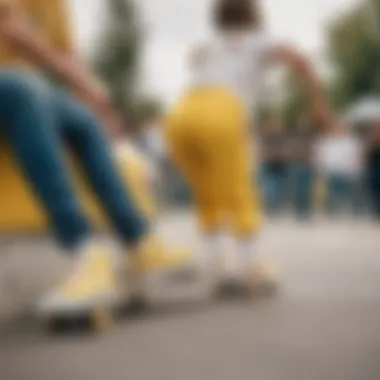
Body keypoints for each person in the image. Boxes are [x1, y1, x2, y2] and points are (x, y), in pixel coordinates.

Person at [0, 0, 190, 316]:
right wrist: (82, 83)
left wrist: (96, 98)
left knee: (84, 120)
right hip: (18, 89)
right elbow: (11, 31)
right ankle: (83, 247)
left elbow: (67, 53)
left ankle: (140, 242)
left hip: (26, 89)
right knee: (25, 90)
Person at [165, 0, 333, 290]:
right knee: (239, 188)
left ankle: (218, 263)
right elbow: (301, 61)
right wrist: (318, 103)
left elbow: (192, 59)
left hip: (182, 114)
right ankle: (251, 264)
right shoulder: (260, 40)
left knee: (209, 194)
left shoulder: (209, 43)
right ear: (254, 14)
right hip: (222, 110)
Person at [314, 127, 364, 217]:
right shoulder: (326, 142)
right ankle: (335, 210)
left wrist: (355, 170)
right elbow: (321, 157)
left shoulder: (351, 142)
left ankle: (342, 210)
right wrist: (321, 170)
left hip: (346, 171)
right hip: (332, 171)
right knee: (333, 192)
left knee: (344, 192)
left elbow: (355, 157)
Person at [287, 116, 316, 220]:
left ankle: (305, 211)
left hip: (307, 165)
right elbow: (290, 150)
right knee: (297, 190)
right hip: (296, 165)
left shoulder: (310, 137)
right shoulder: (293, 136)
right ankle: (298, 212)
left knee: (306, 190)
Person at [260, 116, 288, 217]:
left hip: (280, 163)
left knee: (279, 187)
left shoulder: (283, 136)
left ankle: (276, 207)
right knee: (270, 187)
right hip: (269, 163)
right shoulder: (267, 136)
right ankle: (271, 207)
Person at [365, 121, 380, 219]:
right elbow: (368, 157)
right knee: (374, 193)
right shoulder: (372, 142)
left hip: (375, 171)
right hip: (374, 172)